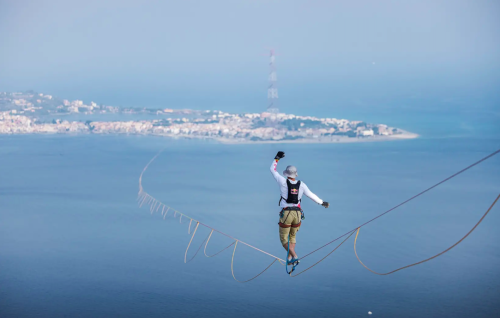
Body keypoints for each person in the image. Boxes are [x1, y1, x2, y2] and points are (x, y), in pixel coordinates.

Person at [270, 151, 329, 268]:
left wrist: (277, 158)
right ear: (295, 174)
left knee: (283, 239)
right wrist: (322, 202)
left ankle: (294, 256)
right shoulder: (301, 184)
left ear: (286, 174)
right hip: (298, 214)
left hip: (286, 213)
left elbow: (272, 170)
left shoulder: (282, 181)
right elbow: (311, 195)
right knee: (292, 236)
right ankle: (290, 258)